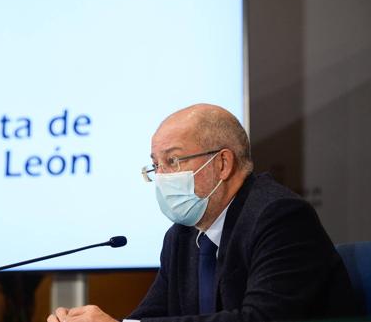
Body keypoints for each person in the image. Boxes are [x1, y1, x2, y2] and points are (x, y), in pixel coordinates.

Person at [48, 104, 362, 322]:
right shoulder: (182, 235)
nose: (162, 176)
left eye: (172, 161)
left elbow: (260, 318)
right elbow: (150, 317)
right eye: (156, 165)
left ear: (223, 164)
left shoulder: (280, 218)